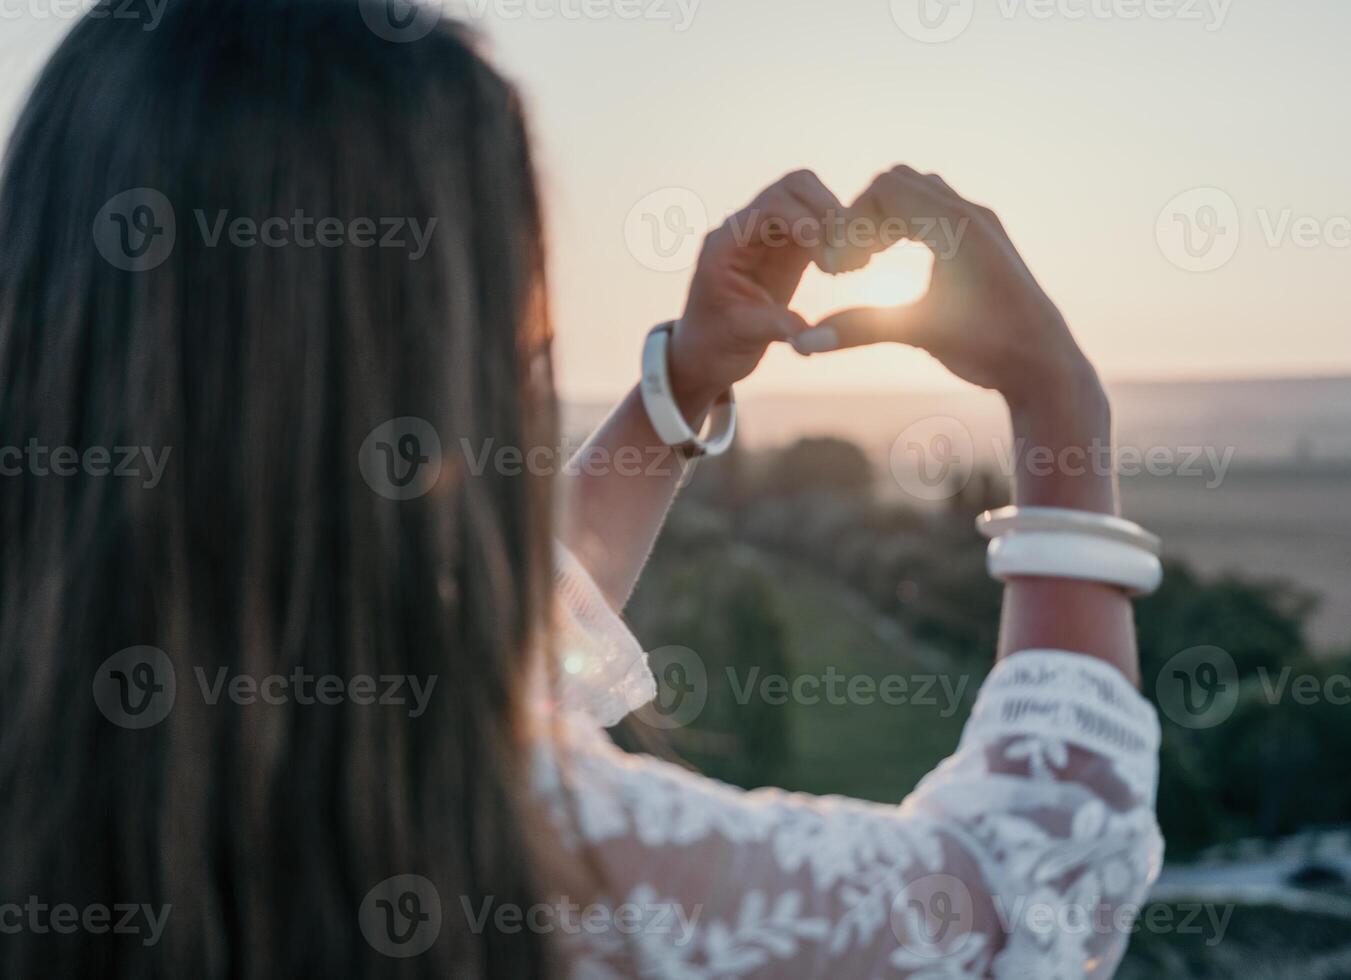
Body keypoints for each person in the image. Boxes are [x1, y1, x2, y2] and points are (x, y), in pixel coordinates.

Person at [0, 1, 1164, 976]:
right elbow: (1039, 884)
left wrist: (687, 384)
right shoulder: (553, 858)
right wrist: (1059, 402)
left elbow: (507, 626)